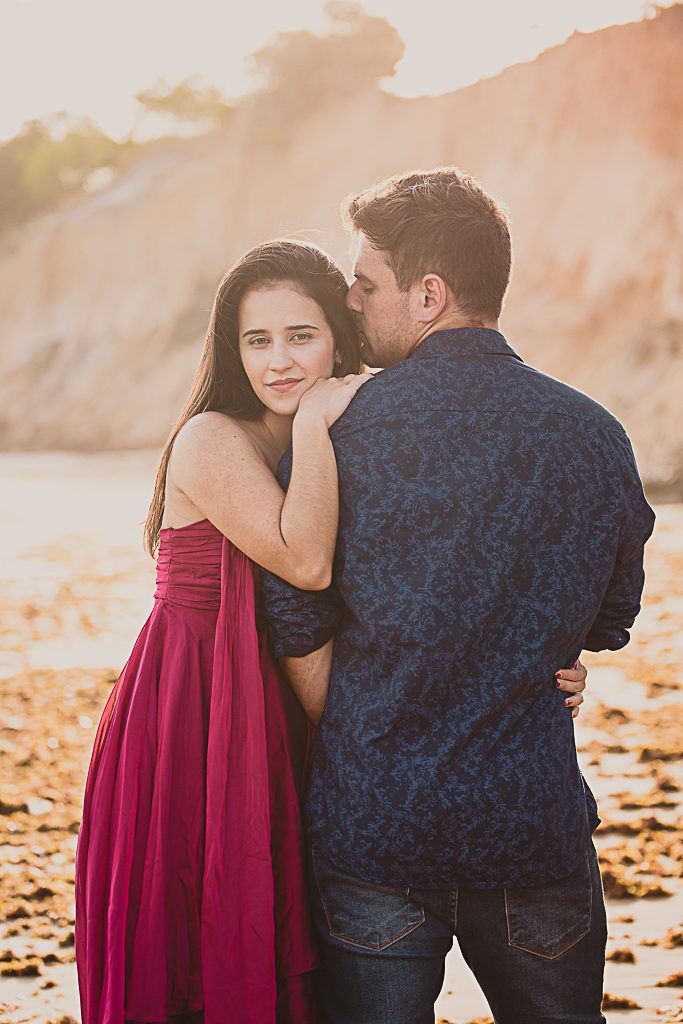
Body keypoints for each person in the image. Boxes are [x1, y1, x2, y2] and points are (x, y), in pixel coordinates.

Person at [259, 169, 656, 1024]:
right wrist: (538, 651)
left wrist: (371, 717)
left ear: (428, 294)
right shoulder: (591, 432)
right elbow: (613, 611)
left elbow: (293, 611)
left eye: (366, 287)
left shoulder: (339, 431)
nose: (353, 307)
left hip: (377, 827)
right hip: (528, 821)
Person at [75, 240, 372, 1024]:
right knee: (193, 935)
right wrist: (314, 421)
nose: (278, 360)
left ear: (338, 338)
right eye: (256, 340)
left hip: (279, 698)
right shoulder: (211, 436)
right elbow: (304, 563)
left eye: (300, 336)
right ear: (231, 350)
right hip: (192, 711)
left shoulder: (352, 425)